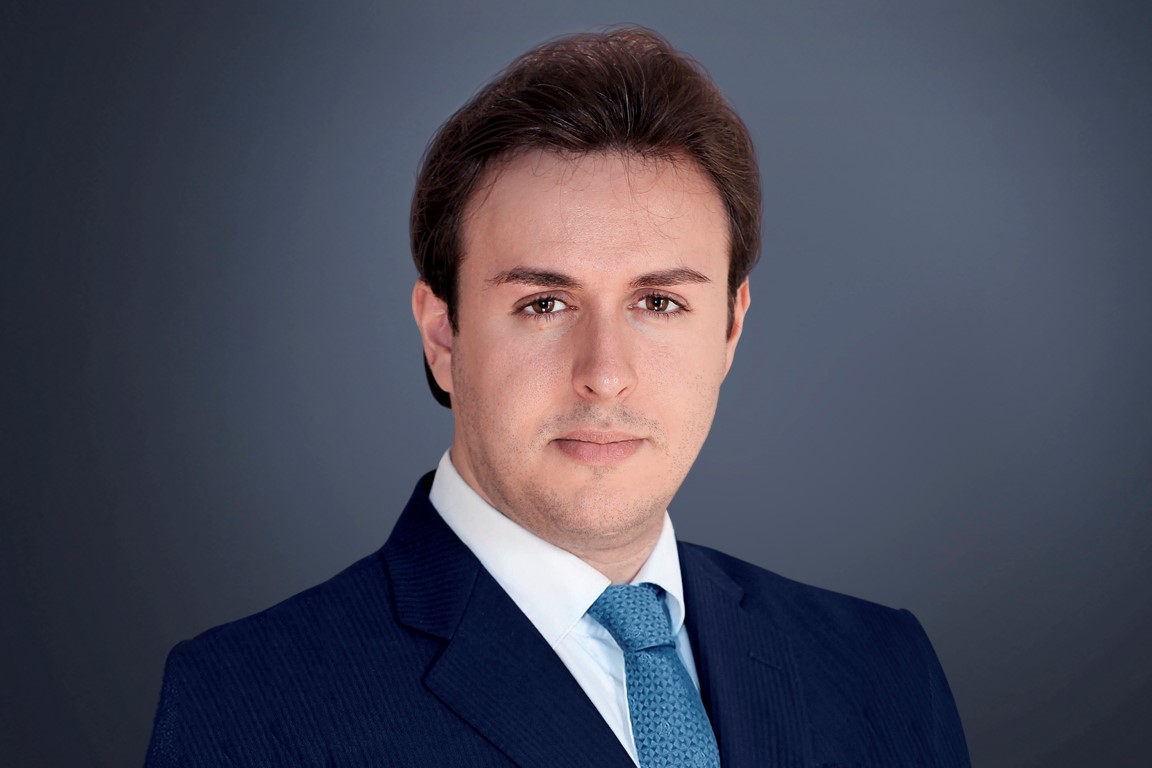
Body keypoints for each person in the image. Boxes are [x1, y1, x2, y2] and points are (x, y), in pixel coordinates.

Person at [146, 28, 970, 767]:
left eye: (659, 303)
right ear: (444, 335)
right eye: (544, 304)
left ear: (730, 329)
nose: (604, 373)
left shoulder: (882, 671)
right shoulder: (256, 707)